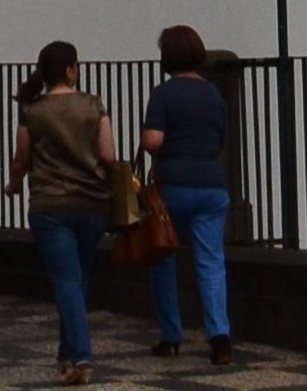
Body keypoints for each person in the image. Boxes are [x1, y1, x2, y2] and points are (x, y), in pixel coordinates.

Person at [16, 38, 121, 388]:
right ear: (71, 70)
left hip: (50, 205)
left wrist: (14, 184)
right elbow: (108, 154)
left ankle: (79, 355)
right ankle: (69, 354)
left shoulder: (33, 110)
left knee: (66, 281)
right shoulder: (94, 105)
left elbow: (22, 157)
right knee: (78, 279)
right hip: (93, 203)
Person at [136, 26, 232, 362]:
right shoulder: (213, 94)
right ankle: (219, 335)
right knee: (211, 262)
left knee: (163, 257)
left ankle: (171, 335)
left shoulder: (163, 94)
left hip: (173, 186)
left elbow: (153, 141)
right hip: (212, 185)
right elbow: (219, 140)